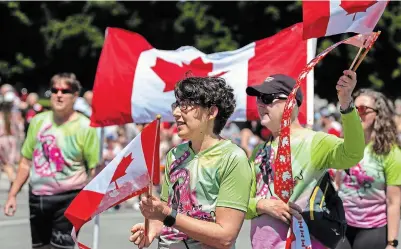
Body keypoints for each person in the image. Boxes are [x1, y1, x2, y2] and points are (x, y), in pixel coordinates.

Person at [244, 72, 365, 249]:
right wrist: (261, 204)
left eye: (268, 98)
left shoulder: (315, 142)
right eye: (259, 99)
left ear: (291, 103)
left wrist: (346, 104)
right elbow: (240, 203)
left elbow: (353, 154)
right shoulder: (260, 150)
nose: (261, 103)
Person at [129, 76, 253, 249]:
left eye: (185, 105)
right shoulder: (175, 154)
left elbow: (225, 236)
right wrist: (153, 228)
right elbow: (168, 214)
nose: (176, 112)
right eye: (177, 104)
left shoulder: (232, 158)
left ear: (211, 112)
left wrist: (165, 214)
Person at [3, 73, 100, 249]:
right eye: (55, 90)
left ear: (75, 95)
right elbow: (25, 161)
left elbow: (93, 170)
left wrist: (91, 201)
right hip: (38, 198)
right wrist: (12, 194)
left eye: (65, 90)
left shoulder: (86, 127)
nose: (59, 94)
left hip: (69, 199)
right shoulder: (38, 122)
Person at [333, 89, 401, 249]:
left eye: (362, 109)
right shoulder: (342, 144)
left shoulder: (391, 153)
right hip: (341, 224)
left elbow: (393, 202)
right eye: (353, 108)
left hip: (373, 228)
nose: (357, 113)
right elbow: (337, 184)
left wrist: (392, 243)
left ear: (378, 114)